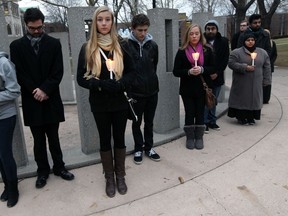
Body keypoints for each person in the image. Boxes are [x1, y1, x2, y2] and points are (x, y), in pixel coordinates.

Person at [10, 8, 74, 189]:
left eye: (39, 27)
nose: (37, 31)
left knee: (54, 137)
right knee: (38, 141)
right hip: (32, 100)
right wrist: (35, 90)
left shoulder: (54, 44)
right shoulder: (16, 47)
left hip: (51, 98)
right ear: (26, 25)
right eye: (32, 28)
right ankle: (42, 171)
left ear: (43, 23)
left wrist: (45, 90)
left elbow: (58, 71)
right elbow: (19, 73)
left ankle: (59, 167)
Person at [77, 6, 135, 198]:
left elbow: (132, 73)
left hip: (119, 101)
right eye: (100, 20)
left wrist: (120, 85)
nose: (104, 23)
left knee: (119, 138)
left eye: (107, 19)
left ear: (112, 22)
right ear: (95, 23)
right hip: (100, 102)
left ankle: (120, 175)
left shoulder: (122, 45)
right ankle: (109, 177)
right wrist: (100, 85)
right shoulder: (87, 48)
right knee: (104, 139)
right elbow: (80, 78)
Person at [173, 24, 214, 150]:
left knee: (200, 112)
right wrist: (188, 72)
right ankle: (190, 137)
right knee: (189, 113)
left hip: (202, 88)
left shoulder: (207, 50)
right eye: (191, 34)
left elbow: (213, 67)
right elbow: (176, 71)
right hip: (187, 89)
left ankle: (199, 136)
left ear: (201, 34)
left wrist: (202, 69)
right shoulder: (182, 51)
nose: (194, 36)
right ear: (187, 35)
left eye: (196, 33)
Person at [127, 14, 160, 165]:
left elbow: (154, 66)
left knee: (149, 122)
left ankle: (149, 147)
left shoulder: (153, 45)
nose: (143, 33)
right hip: (135, 93)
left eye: (145, 30)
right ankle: (138, 148)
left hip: (152, 91)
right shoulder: (125, 46)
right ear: (132, 28)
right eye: (140, 30)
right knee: (136, 122)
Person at [227, 33, 271, 125]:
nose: (250, 42)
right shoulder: (236, 52)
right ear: (244, 41)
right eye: (248, 40)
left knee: (254, 99)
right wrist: (244, 67)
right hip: (242, 82)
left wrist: (267, 80)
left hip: (256, 82)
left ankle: (251, 117)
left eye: (252, 40)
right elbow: (231, 63)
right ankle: (241, 117)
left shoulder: (262, 53)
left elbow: (267, 67)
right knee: (242, 100)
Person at [0, 51, 20, 208]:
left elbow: (14, 91)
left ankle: (14, 189)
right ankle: (6, 186)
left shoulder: (4, 64)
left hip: (5, 115)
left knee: (5, 153)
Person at [203, 20, 230, 133]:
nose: (210, 31)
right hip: (205, 76)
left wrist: (217, 72)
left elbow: (225, 59)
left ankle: (212, 121)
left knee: (214, 100)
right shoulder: (202, 41)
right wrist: (208, 72)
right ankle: (204, 122)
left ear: (217, 29)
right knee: (205, 100)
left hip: (217, 76)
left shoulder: (223, 41)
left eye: (212, 28)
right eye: (208, 28)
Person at [263, 29, 277, 104]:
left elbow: (275, 54)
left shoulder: (273, 43)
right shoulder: (262, 43)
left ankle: (266, 98)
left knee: (268, 83)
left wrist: (270, 62)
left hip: (269, 66)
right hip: (262, 65)